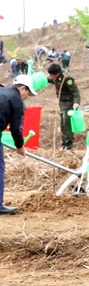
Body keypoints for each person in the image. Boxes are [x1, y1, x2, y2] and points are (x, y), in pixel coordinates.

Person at [0, 75, 36, 214]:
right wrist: (20, 146)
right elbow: (16, 128)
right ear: (22, 88)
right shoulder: (17, 101)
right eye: (28, 93)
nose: (27, 97)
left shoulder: (1, 91)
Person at [46, 63, 81, 151]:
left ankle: (68, 144)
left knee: (66, 123)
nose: (50, 76)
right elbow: (52, 80)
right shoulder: (56, 76)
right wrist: (43, 79)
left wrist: (76, 103)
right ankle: (64, 143)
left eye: (51, 74)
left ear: (57, 74)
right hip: (62, 102)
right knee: (62, 123)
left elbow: (75, 92)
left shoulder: (67, 78)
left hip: (69, 102)